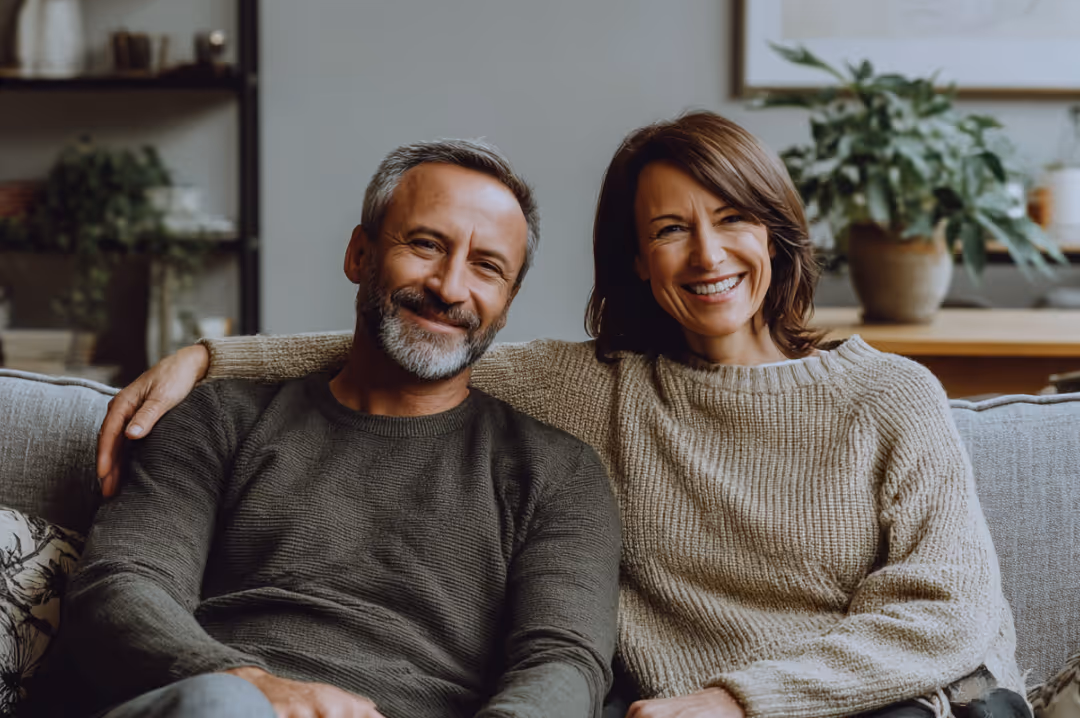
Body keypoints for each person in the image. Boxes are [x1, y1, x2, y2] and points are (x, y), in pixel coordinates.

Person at [97, 112, 1031, 718]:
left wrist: (734, 701)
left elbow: (949, 613)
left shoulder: (890, 395)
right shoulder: (601, 388)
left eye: (732, 218)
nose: (706, 254)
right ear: (636, 262)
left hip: (902, 704)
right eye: (669, 229)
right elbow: (419, 340)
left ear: (777, 233)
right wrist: (212, 358)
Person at [55, 139, 621, 718]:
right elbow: (121, 586)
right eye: (426, 245)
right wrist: (249, 684)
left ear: (506, 301)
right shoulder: (216, 419)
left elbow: (563, 663)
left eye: (487, 267)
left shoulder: (558, 473)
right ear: (358, 254)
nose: (450, 287)